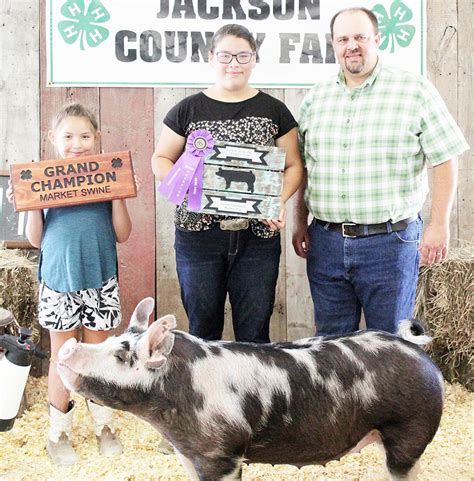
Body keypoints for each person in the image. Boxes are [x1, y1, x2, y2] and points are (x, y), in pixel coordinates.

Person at [293, 7, 469, 336]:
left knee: (390, 343)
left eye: (359, 37)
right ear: (333, 45)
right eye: (342, 39)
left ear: (377, 39)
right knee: (331, 345)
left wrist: (439, 224)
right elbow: (304, 167)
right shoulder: (315, 99)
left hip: (390, 242)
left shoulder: (415, 90)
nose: (351, 45)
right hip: (326, 242)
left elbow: (445, 158)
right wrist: (299, 223)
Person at [152, 24, 303, 343]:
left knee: (254, 332)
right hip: (198, 238)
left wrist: (277, 199)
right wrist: (189, 186)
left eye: (243, 55)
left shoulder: (274, 110)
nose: (234, 62)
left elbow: (293, 166)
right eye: (225, 55)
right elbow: (161, 160)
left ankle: (252, 394)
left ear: (254, 59)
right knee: (203, 331)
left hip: (256, 239)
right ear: (211, 58)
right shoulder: (187, 109)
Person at [7, 103, 135, 465]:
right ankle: (58, 433)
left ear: (97, 138)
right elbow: (35, 240)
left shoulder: (106, 178)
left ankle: (104, 426)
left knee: (96, 356)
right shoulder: (42, 179)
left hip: (100, 279)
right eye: (67, 136)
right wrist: (30, 203)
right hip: (58, 281)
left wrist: (119, 196)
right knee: (64, 359)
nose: (76, 143)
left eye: (84, 136)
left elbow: (123, 234)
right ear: (53, 139)